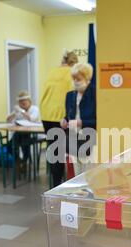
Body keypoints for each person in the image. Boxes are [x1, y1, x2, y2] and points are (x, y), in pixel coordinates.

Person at [40, 50, 78, 187]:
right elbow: (72, 96)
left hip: (46, 114)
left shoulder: (52, 72)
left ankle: (55, 183)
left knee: (54, 150)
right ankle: (63, 184)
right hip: (61, 116)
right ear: (74, 63)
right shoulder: (72, 73)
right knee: (65, 151)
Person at [61, 62, 96, 175]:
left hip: (90, 138)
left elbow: (100, 121)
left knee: (88, 174)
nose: (75, 81)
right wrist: (64, 121)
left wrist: (82, 122)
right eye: (74, 78)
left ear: (87, 78)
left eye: (78, 79)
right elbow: (68, 116)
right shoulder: (70, 95)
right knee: (76, 174)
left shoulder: (96, 94)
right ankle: (78, 193)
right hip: (73, 137)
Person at [7, 91, 40, 162]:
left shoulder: (34, 108)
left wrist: (22, 111)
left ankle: (24, 160)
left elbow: (32, 118)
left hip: (32, 134)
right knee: (9, 146)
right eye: (20, 102)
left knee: (24, 141)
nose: (22, 103)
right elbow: (8, 120)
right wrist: (14, 113)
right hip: (20, 133)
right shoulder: (19, 110)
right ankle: (18, 160)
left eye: (24, 102)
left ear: (29, 101)